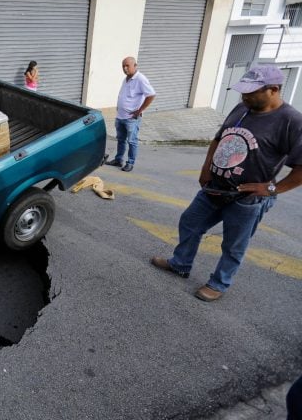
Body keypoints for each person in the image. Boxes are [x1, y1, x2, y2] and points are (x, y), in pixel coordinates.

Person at [150, 65, 302, 302]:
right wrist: (206, 167)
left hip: (247, 200)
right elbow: (219, 138)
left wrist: (271, 189)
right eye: (243, 91)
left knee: (233, 245)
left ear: (273, 90)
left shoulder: (291, 121)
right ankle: (180, 263)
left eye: (252, 92)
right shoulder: (243, 108)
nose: (245, 96)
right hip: (215, 188)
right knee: (190, 222)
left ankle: (219, 283)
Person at [105, 56, 156, 172]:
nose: (125, 68)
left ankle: (130, 163)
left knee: (132, 141)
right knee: (121, 139)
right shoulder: (126, 79)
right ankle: (118, 160)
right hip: (120, 116)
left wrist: (140, 110)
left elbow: (151, 95)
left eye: (127, 65)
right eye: (123, 66)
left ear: (135, 66)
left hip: (131, 118)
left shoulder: (141, 79)